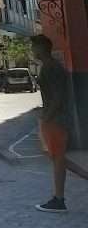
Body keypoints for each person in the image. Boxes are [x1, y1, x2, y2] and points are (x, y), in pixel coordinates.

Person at [31, 35, 88, 213]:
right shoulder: (51, 67)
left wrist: (46, 117)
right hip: (56, 118)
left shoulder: (50, 68)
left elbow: (57, 97)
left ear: (41, 48)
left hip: (55, 120)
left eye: (34, 47)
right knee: (57, 157)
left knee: (57, 159)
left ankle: (59, 199)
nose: (32, 50)